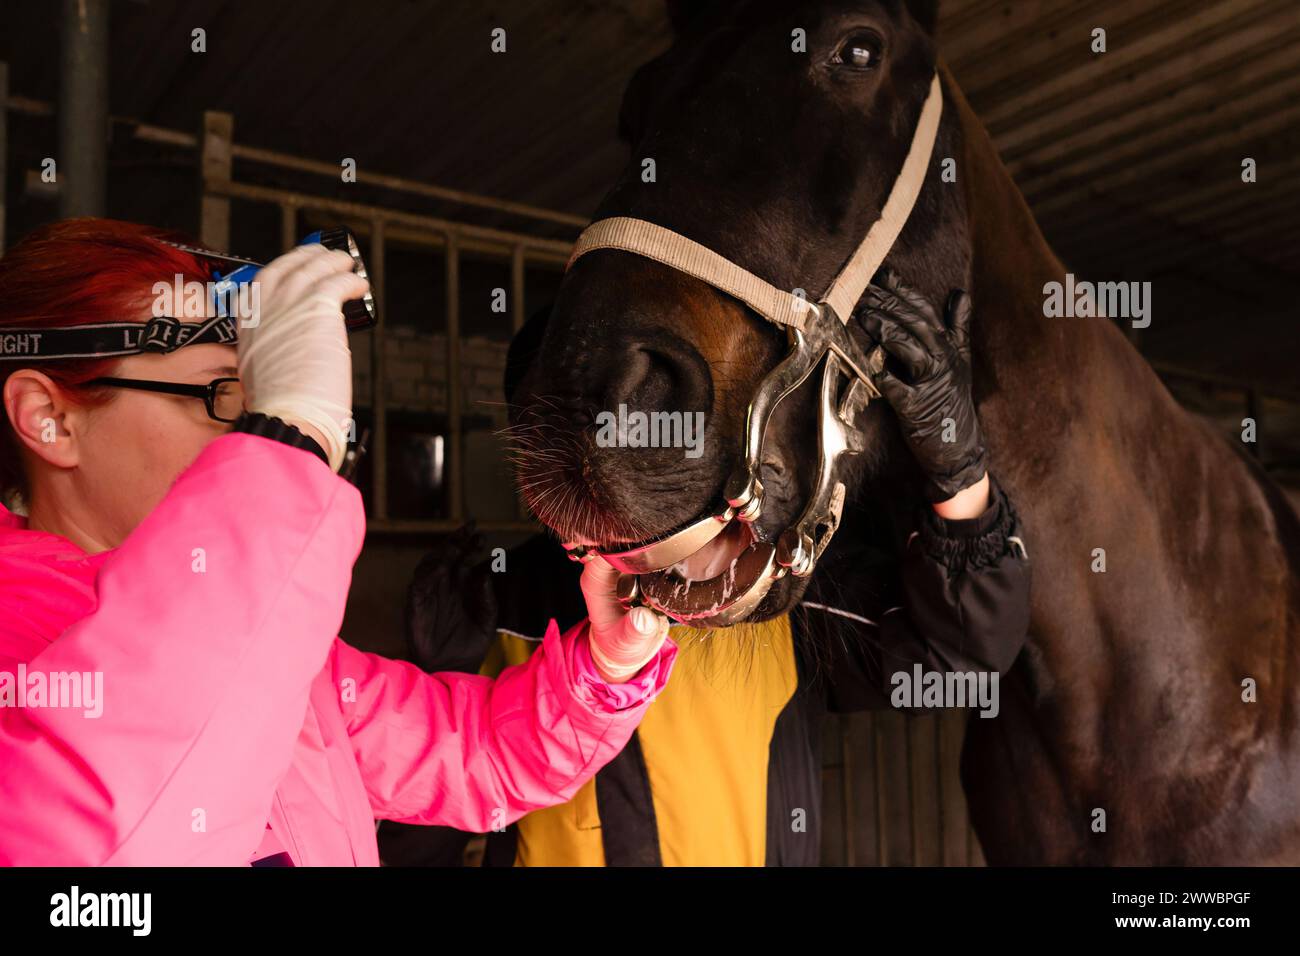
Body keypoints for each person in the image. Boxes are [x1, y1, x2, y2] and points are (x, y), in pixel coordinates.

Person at [0, 218, 676, 866]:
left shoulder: (285, 657)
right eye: (219, 397)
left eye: (259, 399)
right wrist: (286, 440)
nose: (245, 433)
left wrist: (602, 672)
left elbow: (476, 757)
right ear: (49, 418)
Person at [378, 274, 1032, 867]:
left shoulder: (767, 581)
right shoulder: (500, 602)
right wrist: (444, 675)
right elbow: (411, 838)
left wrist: (958, 475)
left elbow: (960, 657)